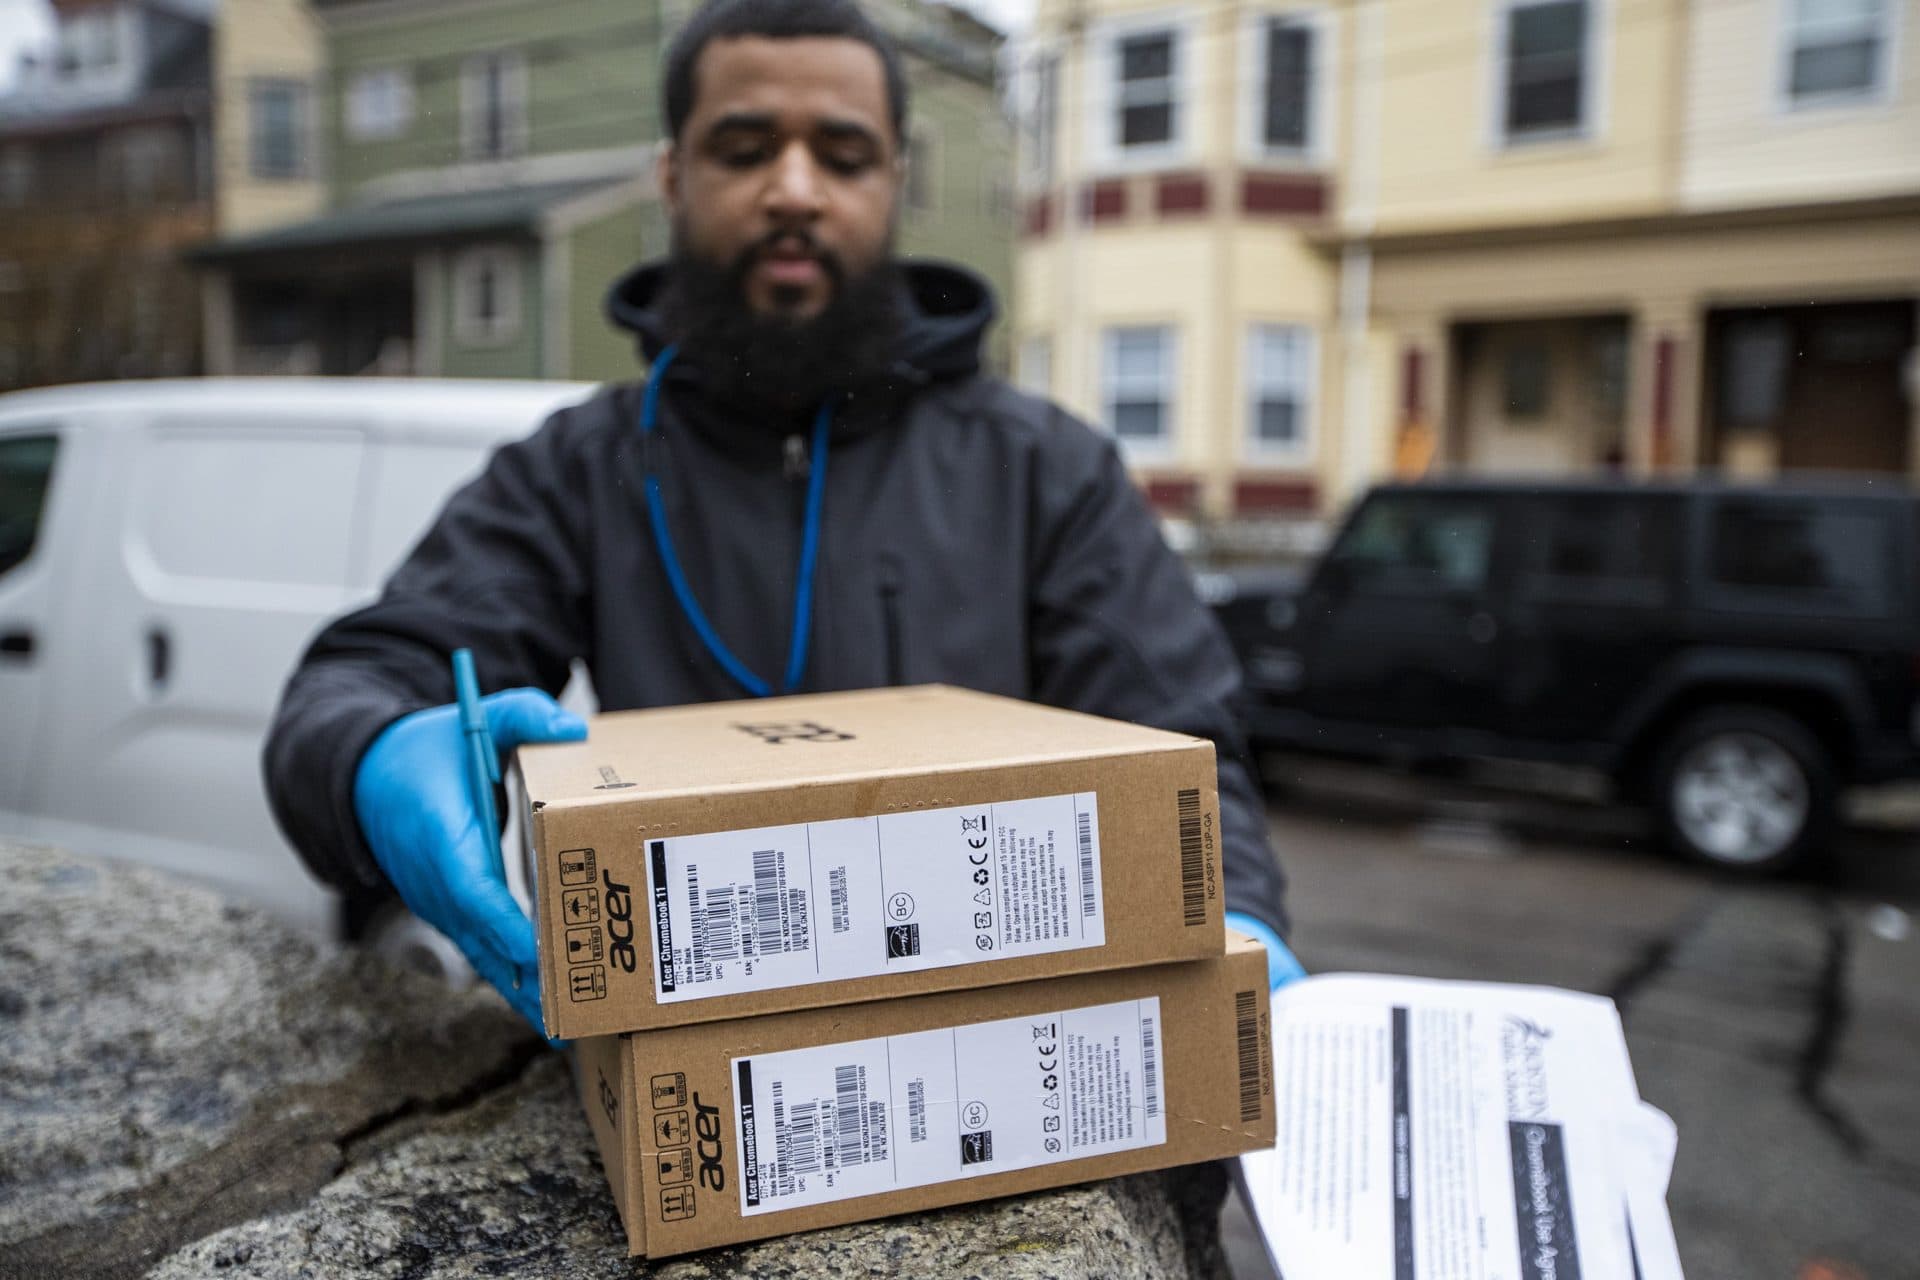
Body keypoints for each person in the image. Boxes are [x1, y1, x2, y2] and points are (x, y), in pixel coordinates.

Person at [263, 0, 1298, 1033]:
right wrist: (371, 753)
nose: (793, 190)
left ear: (895, 180)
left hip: (1003, 1061)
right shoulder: (579, 467)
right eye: (744, 148)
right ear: (674, 178)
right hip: (715, 1070)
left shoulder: (1046, 469)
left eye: (842, 156)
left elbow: (1186, 756)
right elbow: (360, 678)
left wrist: (1241, 928)